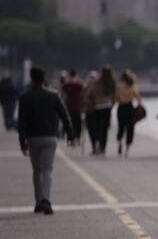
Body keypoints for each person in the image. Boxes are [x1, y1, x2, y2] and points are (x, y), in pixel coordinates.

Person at [17, 67, 74, 215]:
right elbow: (65, 116)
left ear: (31, 78)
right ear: (44, 79)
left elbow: (21, 122)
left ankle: (38, 202)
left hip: (33, 138)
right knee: (48, 169)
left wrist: (22, 143)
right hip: (50, 137)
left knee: (37, 170)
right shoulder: (53, 95)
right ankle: (46, 201)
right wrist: (70, 135)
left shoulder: (25, 97)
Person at [85, 65, 116, 155]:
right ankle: (103, 148)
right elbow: (114, 96)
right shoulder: (112, 82)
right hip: (107, 107)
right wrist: (112, 105)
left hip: (97, 107)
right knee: (105, 129)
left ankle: (97, 144)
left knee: (97, 127)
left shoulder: (97, 82)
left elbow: (91, 93)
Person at [115, 69, 142, 157]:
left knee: (121, 126)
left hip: (121, 107)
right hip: (129, 107)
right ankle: (127, 149)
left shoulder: (119, 86)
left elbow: (115, 97)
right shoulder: (132, 85)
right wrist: (140, 106)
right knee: (130, 128)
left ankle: (119, 142)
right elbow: (138, 97)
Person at [61, 69, 84, 144]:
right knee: (78, 122)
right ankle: (77, 137)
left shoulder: (67, 84)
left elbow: (63, 91)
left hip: (69, 105)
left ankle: (71, 138)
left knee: (71, 122)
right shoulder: (78, 84)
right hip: (77, 105)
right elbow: (83, 91)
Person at [83, 70, 99, 154]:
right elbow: (84, 99)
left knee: (95, 130)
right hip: (90, 111)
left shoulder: (97, 87)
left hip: (95, 111)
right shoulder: (87, 87)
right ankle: (94, 147)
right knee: (91, 129)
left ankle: (97, 146)